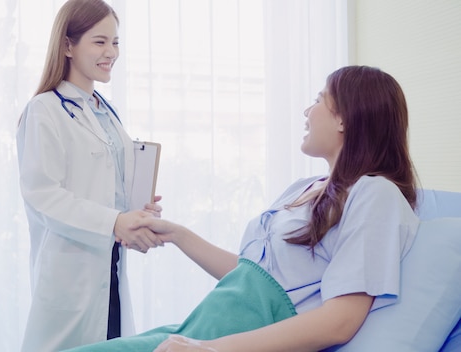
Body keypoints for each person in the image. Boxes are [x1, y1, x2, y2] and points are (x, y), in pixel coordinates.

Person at [61, 65, 420, 352]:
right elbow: (252, 276)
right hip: (208, 325)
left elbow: (340, 320)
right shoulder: (304, 188)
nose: (307, 111)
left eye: (319, 99)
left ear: (344, 118)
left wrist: (212, 348)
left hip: (234, 338)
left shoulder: (375, 194)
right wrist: (178, 235)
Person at [15, 0, 164, 351]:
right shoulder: (45, 110)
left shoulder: (104, 111)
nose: (111, 52)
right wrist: (115, 221)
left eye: (115, 43)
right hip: (71, 274)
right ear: (68, 45)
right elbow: (44, 196)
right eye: (99, 42)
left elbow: (109, 187)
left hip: (109, 267)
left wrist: (138, 213)